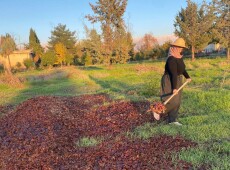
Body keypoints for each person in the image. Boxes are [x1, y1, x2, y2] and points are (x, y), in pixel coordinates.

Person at [159, 38, 191, 125]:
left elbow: (182, 69)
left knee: (178, 101)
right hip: (169, 80)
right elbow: (173, 74)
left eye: (182, 47)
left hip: (178, 79)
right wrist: (174, 88)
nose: (181, 49)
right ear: (174, 47)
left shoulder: (179, 57)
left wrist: (187, 77)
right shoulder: (171, 59)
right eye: (179, 47)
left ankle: (172, 120)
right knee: (172, 100)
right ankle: (158, 110)